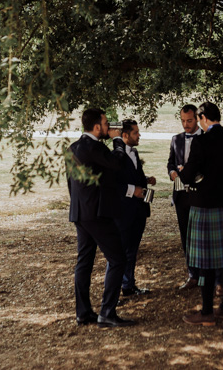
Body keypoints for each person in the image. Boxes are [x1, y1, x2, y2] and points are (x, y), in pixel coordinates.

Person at [67, 108, 136, 328]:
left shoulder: (73, 148)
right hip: (97, 214)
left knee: (84, 262)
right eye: (106, 124)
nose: (108, 127)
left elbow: (72, 184)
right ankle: (107, 312)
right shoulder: (94, 147)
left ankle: (83, 312)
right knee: (118, 259)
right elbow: (116, 162)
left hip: (80, 212)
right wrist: (117, 140)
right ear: (96, 127)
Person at [178, 102, 223, 325]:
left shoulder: (201, 140)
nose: (197, 123)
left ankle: (206, 312)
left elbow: (187, 175)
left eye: (198, 118)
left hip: (204, 206)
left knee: (205, 261)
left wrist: (183, 173)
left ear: (204, 117)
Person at [112, 119, 155, 297]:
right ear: (125, 135)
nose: (139, 136)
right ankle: (113, 292)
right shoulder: (116, 155)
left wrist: (146, 181)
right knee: (118, 253)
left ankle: (128, 286)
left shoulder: (134, 153)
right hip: (123, 211)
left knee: (132, 251)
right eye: (136, 133)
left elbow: (134, 177)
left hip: (138, 211)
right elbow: (113, 185)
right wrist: (133, 191)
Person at [167, 104, 202, 289]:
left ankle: (205, 275)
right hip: (181, 196)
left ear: (197, 119)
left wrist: (190, 172)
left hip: (201, 195)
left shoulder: (206, 139)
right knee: (185, 237)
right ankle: (192, 275)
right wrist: (173, 174)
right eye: (183, 121)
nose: (186, 124)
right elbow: (170, 163)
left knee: (202, 237)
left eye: (189, 121)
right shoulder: (176, 139)